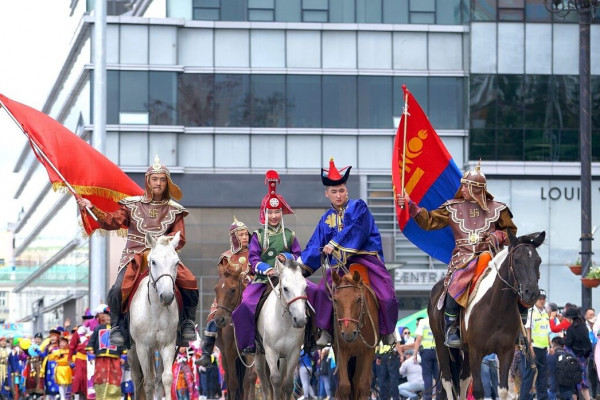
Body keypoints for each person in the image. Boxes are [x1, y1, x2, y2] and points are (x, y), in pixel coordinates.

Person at [77, 155, 199, 346]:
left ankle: (187, 325)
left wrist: (164, 242)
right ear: (148, 181)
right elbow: (111, 222)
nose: (158, 183)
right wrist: (92, 207)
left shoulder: (175, 210)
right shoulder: (132, 205)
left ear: (167, 183)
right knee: (117, 289)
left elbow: (180, 238)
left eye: (162, 179)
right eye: (154, 179)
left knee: (190, 281)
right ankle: (117, 327)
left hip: (162, 256)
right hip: (135, 256)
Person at [397, 164, 517, 348]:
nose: (462, 190)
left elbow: (510, 232)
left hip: (491, 255)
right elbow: (429, 221)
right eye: (463, 185)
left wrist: (497, 235)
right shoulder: (453, 207)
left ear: (477, 189)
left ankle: (519, 325)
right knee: (458, 280)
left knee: (517, 280)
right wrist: (411, 207)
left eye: (466, 186)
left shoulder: (498, 209)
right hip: (464, 257)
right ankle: (451, 326)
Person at [298, 158, 399, 346]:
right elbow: (314, 244)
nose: (338, 195)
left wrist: (334, 244)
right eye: (334, 192)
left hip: (366, 261)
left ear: (347, 191)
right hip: (339, 268)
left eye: (342, 191)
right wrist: (298, 265)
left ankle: (388, 331)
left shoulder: (358, 206)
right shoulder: (325, 219)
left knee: (387, 295)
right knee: (321, 291)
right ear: (327, 193)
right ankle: (326, 331)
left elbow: (357, 229)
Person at [231, 170, 302, 354]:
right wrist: (267, 269)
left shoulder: (289, 235)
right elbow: (253, 258)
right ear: (265, 213)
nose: (274, 216)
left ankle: (310, 339)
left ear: (281, 213)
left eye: (277, 212)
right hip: (263, 280)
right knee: (245, 305)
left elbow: (298, 255)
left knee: (314, 295)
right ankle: (249, 343)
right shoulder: (258, 235)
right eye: (270, 212)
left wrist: (286, 258)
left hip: (287, 279)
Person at [198, 217, 252, 366]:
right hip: (230, 293)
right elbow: (223, 277)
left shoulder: (254, 253)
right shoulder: (226, 256)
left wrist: (249, 277)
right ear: (234, 237)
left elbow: (257, 271)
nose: (245, 237)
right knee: (214, 315)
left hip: (249, 290)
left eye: (246, 234)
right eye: (241, 235)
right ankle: (207, 352)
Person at [86, 306, 126, 400]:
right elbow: (91, 342)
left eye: (111, 316)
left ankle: (114, 398)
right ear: (103, 316)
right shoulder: (98, 328)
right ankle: (100, 397)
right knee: (100, 379)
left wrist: (124, 355)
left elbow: (122, 344)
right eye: (107, 315)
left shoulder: (118, 330)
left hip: (115, 359)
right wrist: (90, 354)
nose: (108, 318)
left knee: (115, 378)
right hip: (101, 359)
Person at [521, 291, 551, 400]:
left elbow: (546, 331)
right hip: (534, 348)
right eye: (540, 298)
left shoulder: (545, 313)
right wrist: (530, 347)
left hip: (543, 349)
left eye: (544, 298)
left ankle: (543, 398)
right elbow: (528, 330)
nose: (542, 300)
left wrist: (550, 345)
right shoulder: (531, 312)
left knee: (543, 377)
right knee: (529, 376)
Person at [564, 307, 593, 400]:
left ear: (570, 318)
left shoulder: (571, 329)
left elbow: (568, 343)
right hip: (584, 358)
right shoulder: (584, 326)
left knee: (573, 382)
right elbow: (588, 344)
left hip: (573, 358)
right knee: (583, 381)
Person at [413, 317, 439, 400]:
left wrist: (415, 354)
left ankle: (428, 398)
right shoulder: (438, 319)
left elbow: (419, 339)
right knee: (438, 376)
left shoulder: (423, 322)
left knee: (427, 376)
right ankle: (440, 397)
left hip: (426, 352)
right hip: (437, 351)